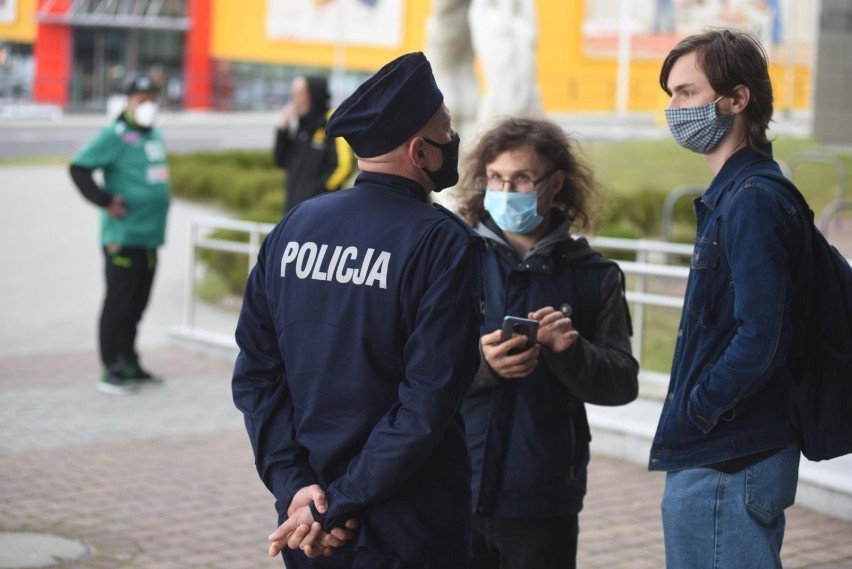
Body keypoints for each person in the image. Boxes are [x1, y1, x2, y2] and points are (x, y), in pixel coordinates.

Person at [232, 51, 485, 568]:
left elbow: (257, 376)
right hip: (410, 528)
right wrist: (340, 504)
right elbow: (426, 402)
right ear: (421, 151)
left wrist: (297, 488)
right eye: (447, 130)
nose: (453, 141)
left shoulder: (295, 227)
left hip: (306, 525)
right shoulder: (443, 243)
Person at [649, 29, 808, 568]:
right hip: (724, 452)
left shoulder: (753, 201)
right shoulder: (737, 196)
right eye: (670, 94)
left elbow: (762, 334)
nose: (674, 109)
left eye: (687, 93)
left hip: (728, 457)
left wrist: (701, 409)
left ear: (737, 100)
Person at [456, 116, 639, 569]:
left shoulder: (594, 275)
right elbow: (407, 365)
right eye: (496, 178)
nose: (506, 189)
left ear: (555, 183)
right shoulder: (453, 260)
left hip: (542, 498)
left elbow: (622, 383)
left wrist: (571, 352)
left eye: (521, 178)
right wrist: (480, 365)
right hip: (452, 487)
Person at [69, 73, 170, 395]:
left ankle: (129, 360)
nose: (149, 105)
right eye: (142, 100)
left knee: (138, 305)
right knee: (119, 304)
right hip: (123, 237)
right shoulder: (115, 134)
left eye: (153, 99)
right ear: (128, 102)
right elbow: (79, 167)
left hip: (150, 237)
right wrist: (103, 200)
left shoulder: (153, 133)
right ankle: (111, 368)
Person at [274, 75, 354, 213]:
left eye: (300, 94)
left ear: (314, 94)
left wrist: (320, 193)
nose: (295, 100)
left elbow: (344, 166)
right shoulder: (303, 125)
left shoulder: (332, 122)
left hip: (318, 211)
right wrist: (283, 130)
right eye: (293, 94)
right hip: (293, 211)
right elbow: (281, 161)